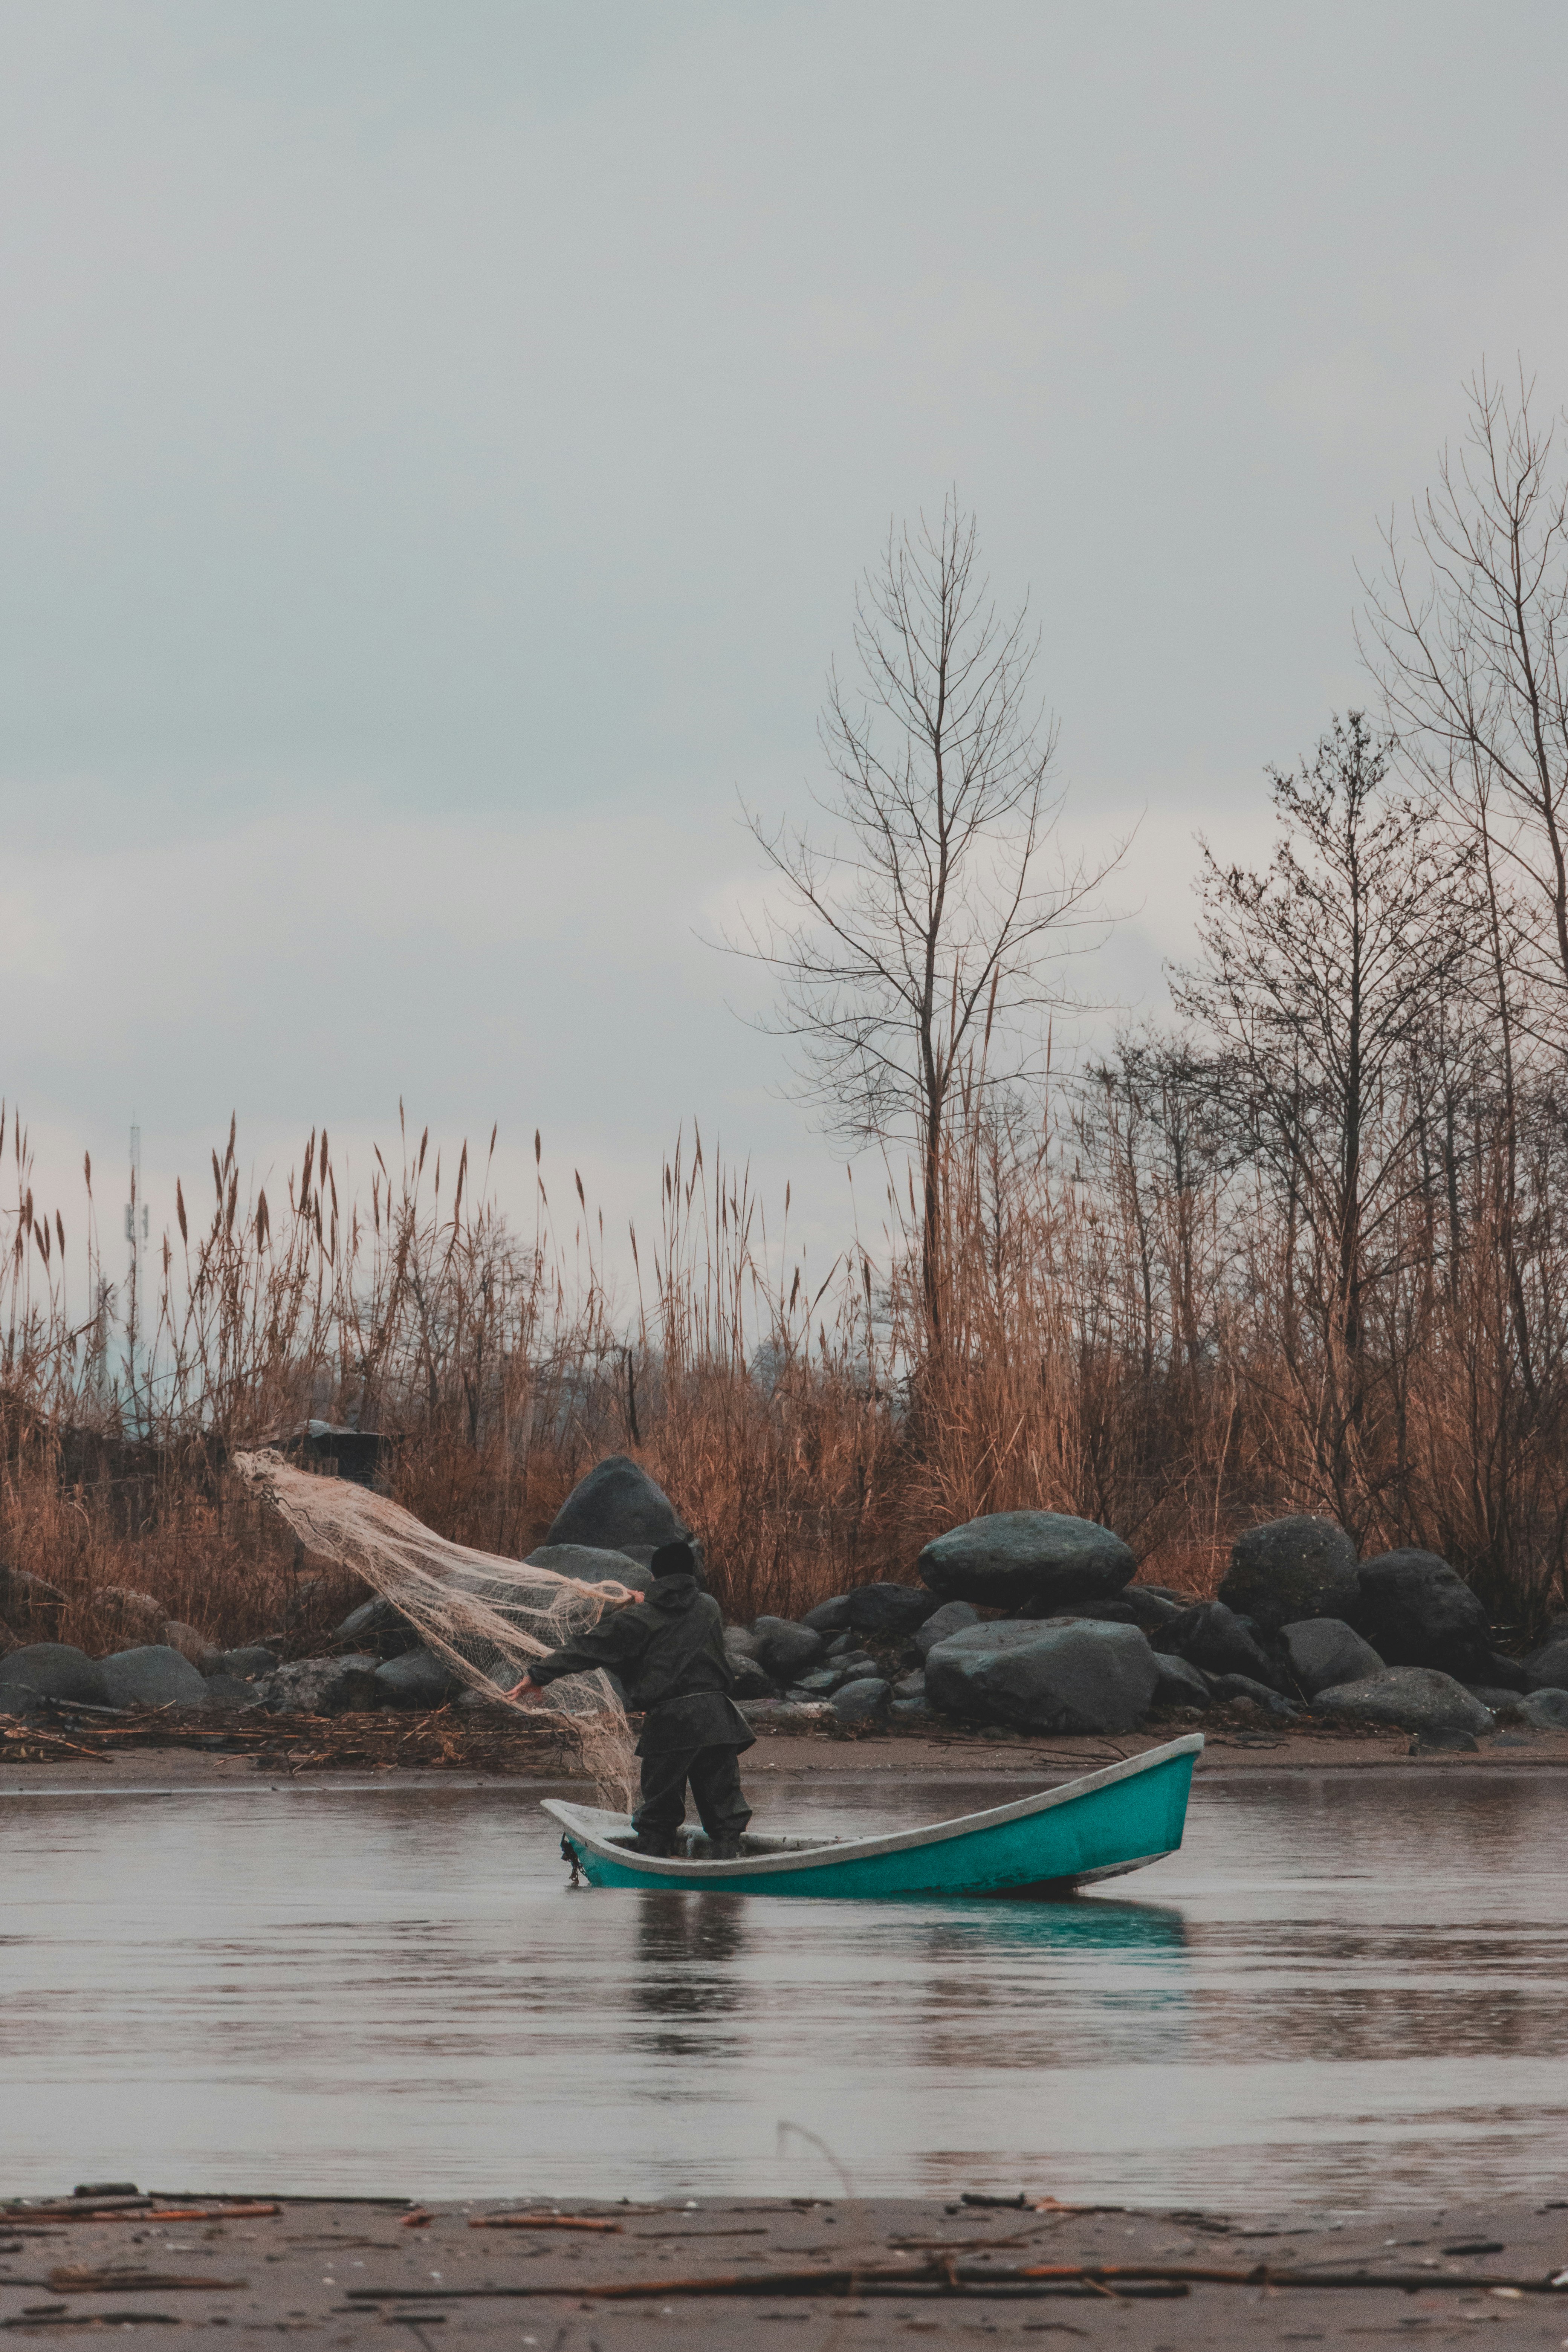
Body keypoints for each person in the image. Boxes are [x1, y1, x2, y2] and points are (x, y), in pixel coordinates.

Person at [516, 1537, 753, 1858]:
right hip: (719, 1720)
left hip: (672, 1725)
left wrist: (538, 1675)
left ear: (655, 1577)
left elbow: (587, 1647)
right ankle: (730, 1874)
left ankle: (654, 1885)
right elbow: (676, 1612)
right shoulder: (709, 1607)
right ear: (690, 1574)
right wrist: (647, 1603)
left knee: (659, 1815)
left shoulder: (637, 1620)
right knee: (725, 1812)